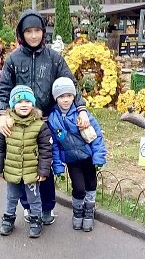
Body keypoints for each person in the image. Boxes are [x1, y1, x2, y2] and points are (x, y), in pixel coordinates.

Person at [0, 9, 90, 225]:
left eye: (37, 30)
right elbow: (4, 89)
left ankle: (46, 208)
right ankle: (28, 207)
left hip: (45, 123)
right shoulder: (13, 59)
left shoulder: (54, 58)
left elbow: (70, 84)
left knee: (43, 168)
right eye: (28, 31)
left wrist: (81, 108)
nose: (33, 35)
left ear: (43, 32)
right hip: (19, 124)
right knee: (21, 168)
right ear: (21, 33)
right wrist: (2, 114)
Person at [0, 85, 52, 238]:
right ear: (13, 105)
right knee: (11, 197)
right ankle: (8, 219)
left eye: (27, 101)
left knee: (34, 198)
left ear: (33, 103)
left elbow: (46, 150)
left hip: (31, 172)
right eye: (19, 102)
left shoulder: (40, 125)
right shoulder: (7, 125)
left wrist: (43, 170)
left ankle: (35, 220)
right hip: (12, 170)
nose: (23, 105)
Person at [48, 77, 107, 232]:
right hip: (72, 160)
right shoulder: (53, 119)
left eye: (69, 96)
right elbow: (54, 145)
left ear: (74, 96)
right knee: (79, 188)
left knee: (91, 185)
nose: (66, 100)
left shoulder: (82, 115)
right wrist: (58, 166)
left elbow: (96, 136)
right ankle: (78, 211)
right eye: (61, 96)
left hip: (88, 158)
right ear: (56, 98)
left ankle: (89, 212)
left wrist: (99, 156)